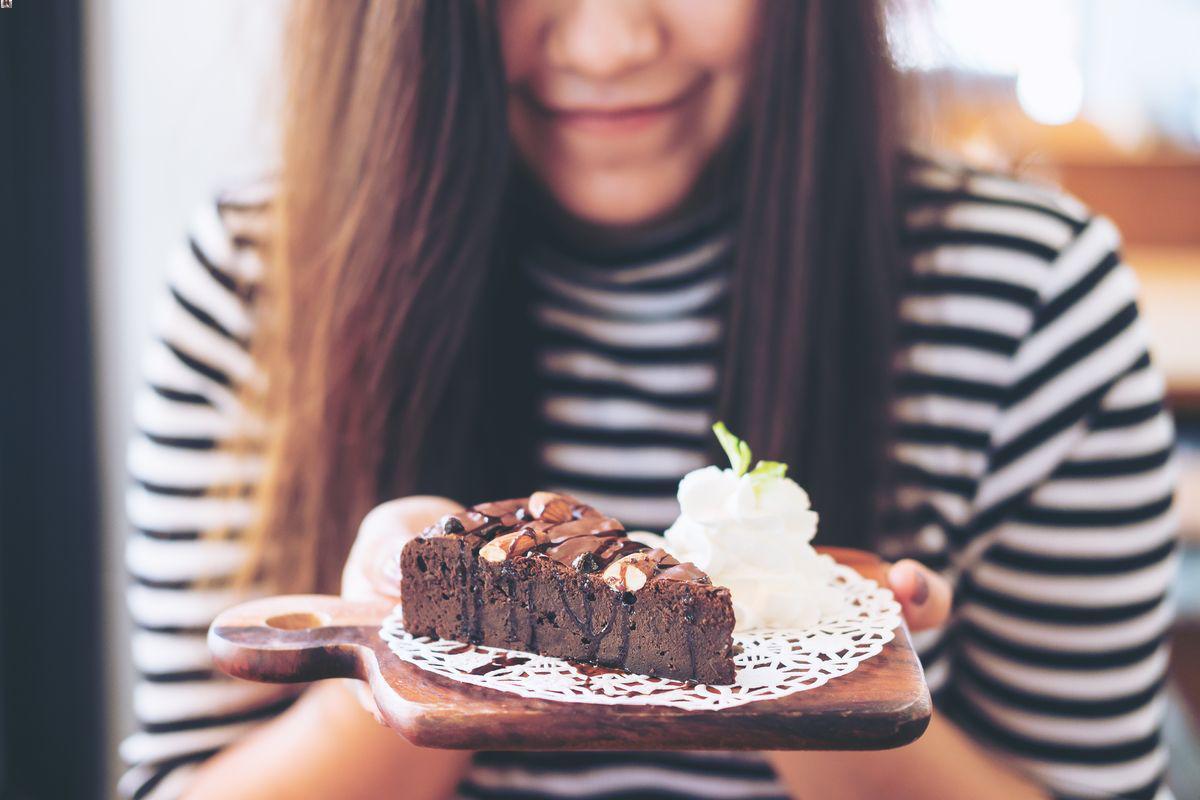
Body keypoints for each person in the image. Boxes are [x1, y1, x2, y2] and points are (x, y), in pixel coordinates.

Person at [119, 2, 1178, 798]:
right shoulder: (268, 281)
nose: (610, 41)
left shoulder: (1026, 296)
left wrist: (815, 666)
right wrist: (413, 644)